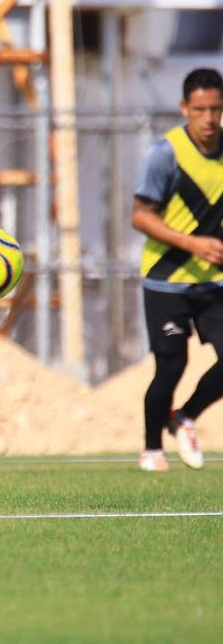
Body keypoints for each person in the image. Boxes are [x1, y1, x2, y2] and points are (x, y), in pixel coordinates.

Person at [132, 67, 223, 472]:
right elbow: (140, 216)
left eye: (216, 109)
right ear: (184, 108)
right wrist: (193, 243)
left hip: (212, 282)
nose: (208, 119)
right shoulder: (165, 154)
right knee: (172, 365)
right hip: (166, 281)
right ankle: (152, 447)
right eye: (200, 109)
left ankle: (184, 416)